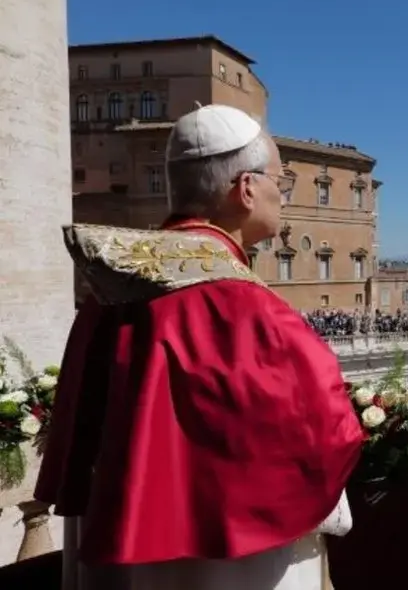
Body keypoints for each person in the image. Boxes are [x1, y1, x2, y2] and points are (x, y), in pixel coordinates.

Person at [35, 104, 365, 590]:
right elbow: (326, 427)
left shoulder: (109, 291)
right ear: (246, 189)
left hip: (124, 544)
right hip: (233, 561)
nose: (283, 195)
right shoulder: (244, 305)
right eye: (281, 181)